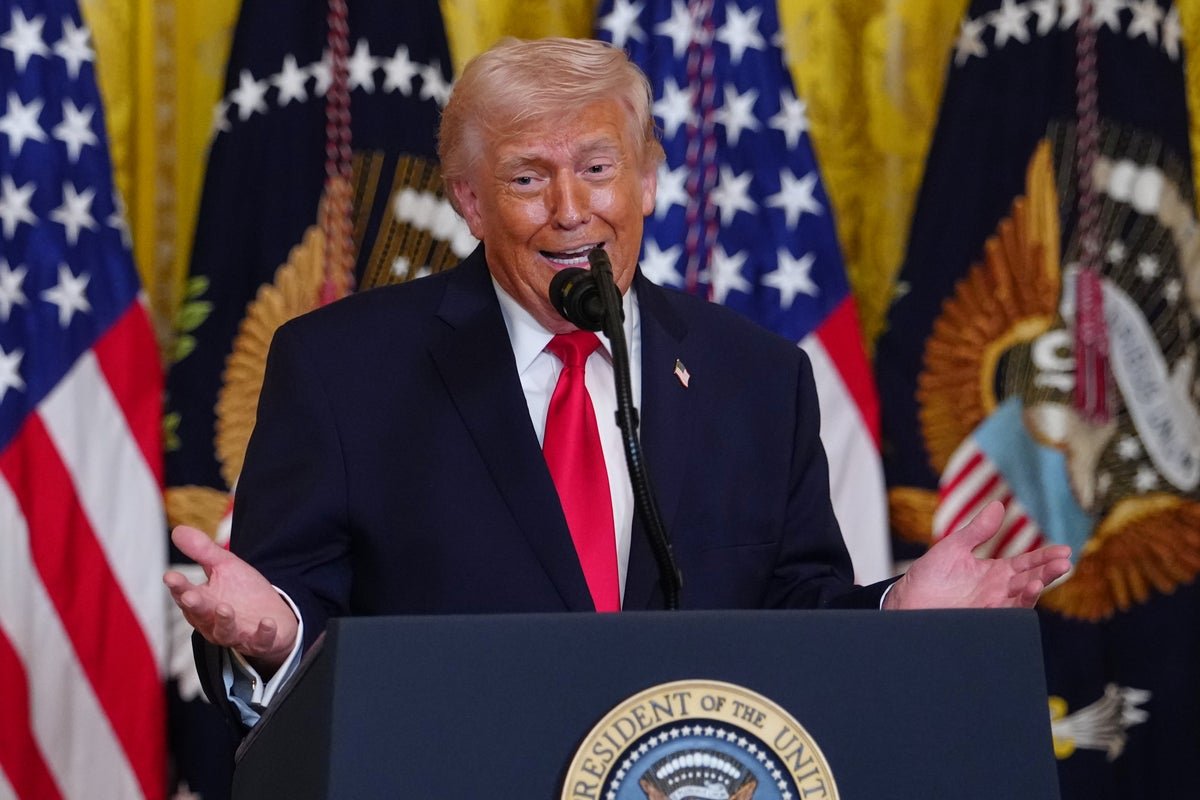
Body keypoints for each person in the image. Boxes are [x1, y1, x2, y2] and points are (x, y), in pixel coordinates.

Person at [164, 37, 1072, 727]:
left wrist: (896, 612)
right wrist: (276, 632)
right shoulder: (342, 369)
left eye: (598, 169)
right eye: (527, 177)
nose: (572, 210)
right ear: (470, 202)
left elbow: (795, 618)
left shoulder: (757, 378)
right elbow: (290, 610)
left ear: (647, 180)